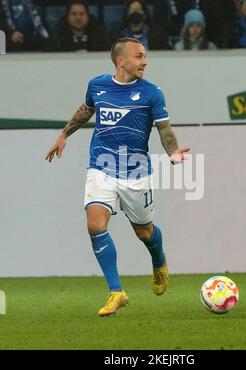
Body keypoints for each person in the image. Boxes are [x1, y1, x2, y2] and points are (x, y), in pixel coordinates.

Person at [45, 37, 190, 317]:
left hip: (136, 173)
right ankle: (116, 291)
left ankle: (158, 260)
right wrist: (64, 134)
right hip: (101, 166)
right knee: (95, 224)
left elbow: (164, 130)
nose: (144, 61)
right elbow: (85, 110)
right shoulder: (97, 85)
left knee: (144, 232)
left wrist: (172, 152)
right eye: (139, 56)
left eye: (144, 56)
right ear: (121, 61)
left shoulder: (152, 93)